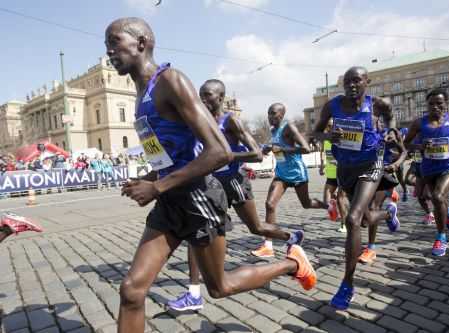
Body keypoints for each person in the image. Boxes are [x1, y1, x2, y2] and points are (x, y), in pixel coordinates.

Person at [105, 17, 316, 333]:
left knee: (220, 287)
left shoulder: (170, 81)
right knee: (132, 291)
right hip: (171, 200)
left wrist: (158, 186)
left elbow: (220, 151)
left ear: (140, 42)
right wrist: (151, 178)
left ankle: (292, 264)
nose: (109, 51)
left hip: (199, 199)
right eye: (106, 45)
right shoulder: (141, 93)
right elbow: (172, 156)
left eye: (114, 42)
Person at [167, 79, 305, 311]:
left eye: (208, 95)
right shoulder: (200, 121)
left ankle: (291, 236)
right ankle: (193, 294)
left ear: (221, 98)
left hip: (234, 182)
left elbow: (256, 154)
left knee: (257, 228)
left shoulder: (231, 120)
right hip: (210, 184)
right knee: (196, 234)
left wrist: (225, 156)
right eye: (200, 95)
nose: (202, 99)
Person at [313, 66, 398, 310]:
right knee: (365, 219)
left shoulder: (376, 104)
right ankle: (388, 213)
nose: (351, 85)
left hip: (372, 162)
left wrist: (391, 130)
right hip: (345, 168)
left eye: (356, 81)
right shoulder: (333, 106)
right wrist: (329, 136)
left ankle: (347, 283)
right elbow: (316, 132)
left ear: (366, 82)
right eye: (347, 81)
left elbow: (391, 115)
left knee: (352, 219)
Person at [251, 103, 328, 257]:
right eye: (268, 113)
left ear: (281, 114)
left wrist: (284, 149)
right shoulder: (273, 130)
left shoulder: (289, 128)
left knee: (306, 204)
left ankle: (328, 206)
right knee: (269, 204)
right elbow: (275, 147)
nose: (270, 117)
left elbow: (306, 148)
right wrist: (268, 148)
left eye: (273, 113)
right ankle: (268, 245)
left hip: (297, 173)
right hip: (281, 175)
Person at [404, 87, 449, 257]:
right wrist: (418, 146)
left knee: (437, 197)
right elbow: (406, 143)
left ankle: (441, 237)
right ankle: (447, 213)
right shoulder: (419, 123)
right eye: (431, 104)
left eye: (439, 103)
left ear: (446, 104)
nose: (435, 107)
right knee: (440, 199)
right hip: (428, 168)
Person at [359, 128, 407, 264]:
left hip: (383, 175)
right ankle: (389, 214)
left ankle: (370, 249)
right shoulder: (362, 128)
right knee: (363, 220)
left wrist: (395, 164)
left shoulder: (389, 131)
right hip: (365, 173)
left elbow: (404, 152)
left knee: (373, 208)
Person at [319, 119, 348, 233]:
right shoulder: (326, 139)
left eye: (332, 126)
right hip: (331, 173)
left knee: (342, 198)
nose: (330, 128)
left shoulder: (342, 138)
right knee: (326, 201)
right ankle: (334, 204)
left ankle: (344, 224)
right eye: (328, 126)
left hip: (342, 172)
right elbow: (322, 151)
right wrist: (321, 165)